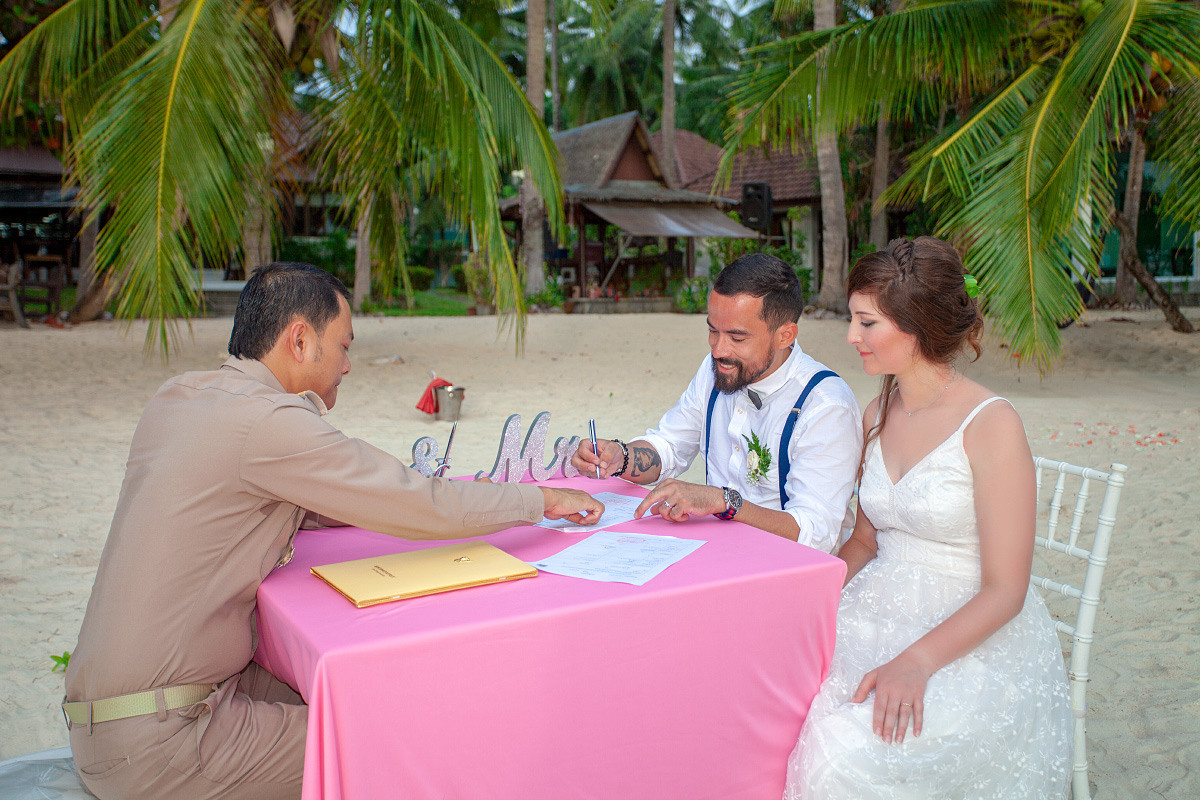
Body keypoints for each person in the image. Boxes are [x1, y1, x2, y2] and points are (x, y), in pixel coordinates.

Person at [63, 262, 604, 800]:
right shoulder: (268, 422)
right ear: (300, 340)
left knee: (358, 688)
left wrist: (398, 492)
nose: (348, 365)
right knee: (403, 740)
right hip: (162, 735)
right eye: (343, 345)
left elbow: (331, 495)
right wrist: (541, 499)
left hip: (122, 707)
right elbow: (416, 504)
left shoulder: (180, 396)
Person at [783, 238, 1071, 798]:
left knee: (844, 757)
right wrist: (807, 600)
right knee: (779, 707)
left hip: (969, 631)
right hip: (875, 609)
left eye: (866, 323)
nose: (850, 336)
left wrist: (916, 663)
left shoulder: (991, 424)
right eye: (852, 319)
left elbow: (1007, 588)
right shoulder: (876, 413)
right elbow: (864, 542)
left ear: (913, 327)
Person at [572, 253, 861, 552]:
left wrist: (724, 502)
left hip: (784, 572)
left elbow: (815, 533)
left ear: (784, 336)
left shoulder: (826, 406)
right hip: (715, 556)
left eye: (737, 338)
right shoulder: (717, 369)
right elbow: (670, 445)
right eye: (713, 331)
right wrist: (621, 457)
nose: (719, 350)